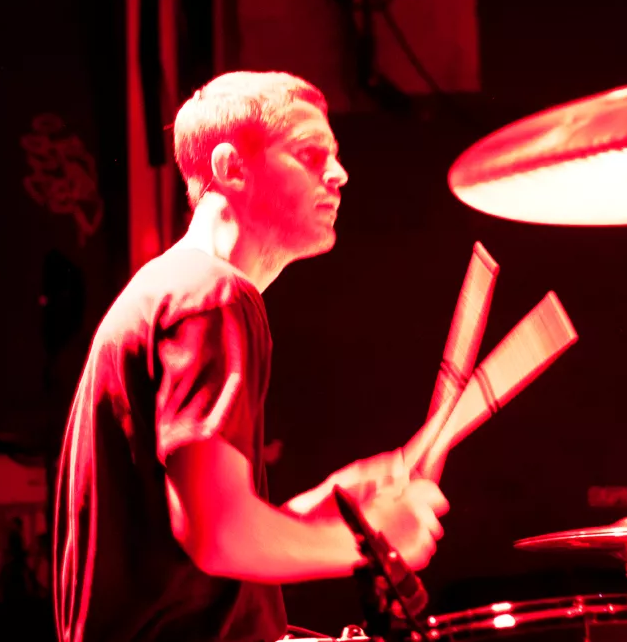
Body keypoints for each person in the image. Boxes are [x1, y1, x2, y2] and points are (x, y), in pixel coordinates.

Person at [53, 71, 450, 642]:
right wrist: (372, 544)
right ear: (231, 168)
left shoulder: (170, 289)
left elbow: (190, 545)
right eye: (310, 154)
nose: (338, 174)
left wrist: (317, 514)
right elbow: (216, 535)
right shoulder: (212, 296)